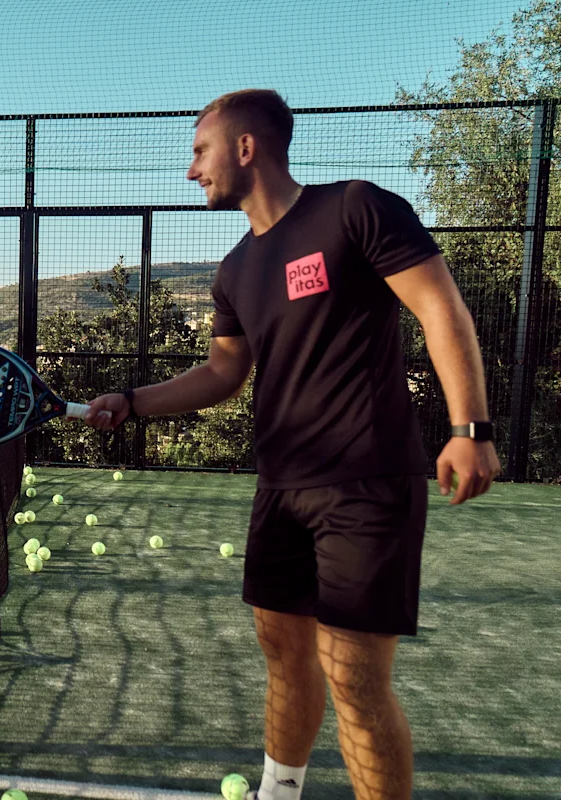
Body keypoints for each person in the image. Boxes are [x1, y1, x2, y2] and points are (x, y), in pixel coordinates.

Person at [84, 90, 500, 799]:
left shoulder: (356, 209)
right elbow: (223, 371)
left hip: (366, 482)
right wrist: (132, 403)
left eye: (199, 152)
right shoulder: (235, 269)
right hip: (280, 487)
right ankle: (281, 791)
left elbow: (440, 306)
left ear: (246, 148)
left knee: (354, 677)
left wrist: (470, 429)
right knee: (282, 654)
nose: (192, 172)